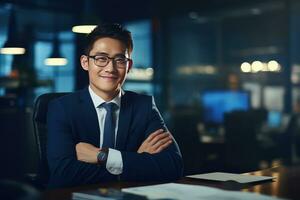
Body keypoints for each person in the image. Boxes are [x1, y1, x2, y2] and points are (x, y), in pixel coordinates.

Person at [47, 23, 183, 188]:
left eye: (120, 60)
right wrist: (134, 161)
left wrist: (104, 157)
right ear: (85, 62)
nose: (110, 68)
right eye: (101, 59)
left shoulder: (144, 106)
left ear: (129, 66)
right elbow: (63, 173)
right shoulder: (61, 109)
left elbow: (173, 166)